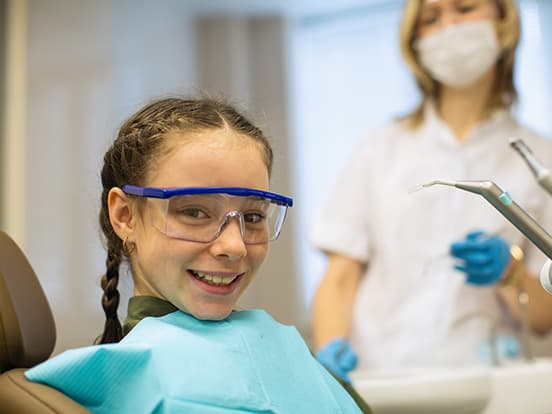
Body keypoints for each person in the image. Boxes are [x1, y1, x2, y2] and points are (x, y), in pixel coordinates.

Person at [25, 97, 371, 413]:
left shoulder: (288, 352)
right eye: (194, 213)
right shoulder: (120, 386)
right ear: (125, 216)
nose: (235, 246)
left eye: (252, 217)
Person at [311, 0, 552, 382]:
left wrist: (510, 271)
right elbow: (340, 276)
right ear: (415, 39)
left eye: (464, 9)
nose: (448, 28)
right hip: (382, 375)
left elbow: (544, 319)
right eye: (431, 18)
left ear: (504, 23)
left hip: (488, 381)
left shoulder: (541, 159)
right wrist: (328, 351)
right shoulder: (379, 148)